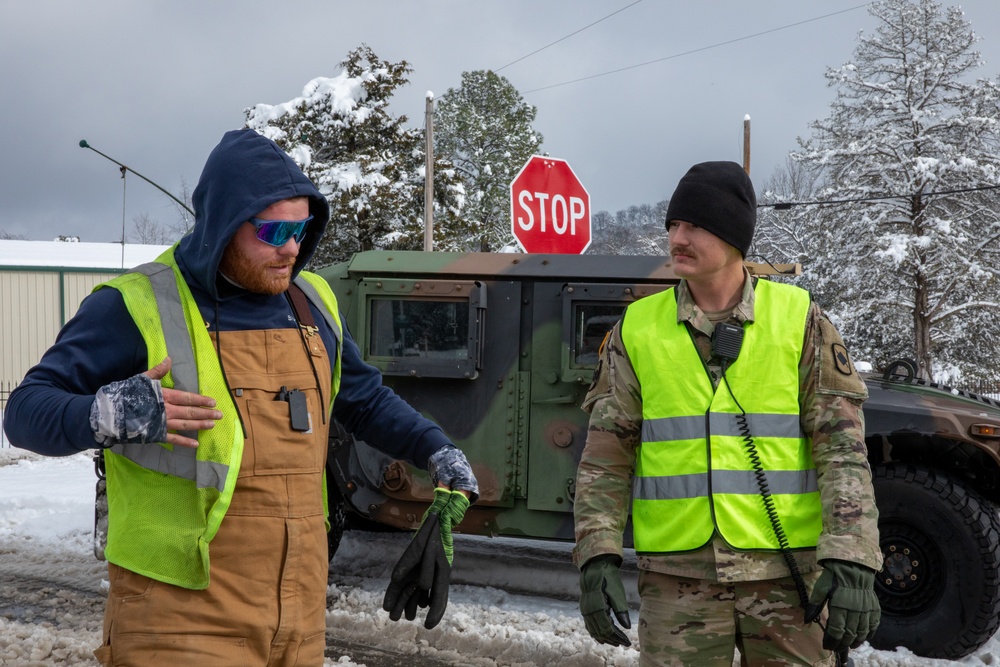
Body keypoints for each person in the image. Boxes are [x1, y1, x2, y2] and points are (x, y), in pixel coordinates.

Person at [3, 128, 479, 667]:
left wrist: (437, 450)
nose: (292, 248)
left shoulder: (313, 301)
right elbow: (23, 413)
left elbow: (364, 399)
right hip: (178, 617)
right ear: (225, 224)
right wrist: (104, 412)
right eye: (274, 230)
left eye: (302, 228)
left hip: (296, 616)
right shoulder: (136, 304)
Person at [572, 161, 882, 667]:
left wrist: (852, 555)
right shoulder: (638, 327)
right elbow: (606, 454)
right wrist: (596, 553)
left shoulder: (798, 318)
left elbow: (841, 447)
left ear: (733, 235)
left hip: (787, 579)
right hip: (677, 582)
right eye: (672, 225)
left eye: (694, 224)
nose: (678, 236)